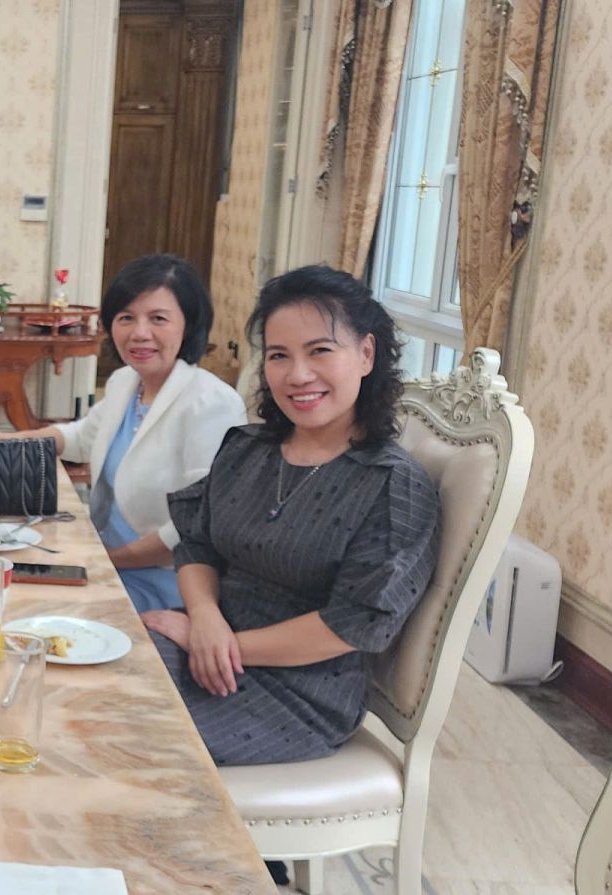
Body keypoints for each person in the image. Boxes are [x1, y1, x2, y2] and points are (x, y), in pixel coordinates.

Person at [141, 264, 440, 769]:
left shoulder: (391, 487)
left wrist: (218, 644)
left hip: (300, 696)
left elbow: (351, 624)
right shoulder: (247, 449)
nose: (297, 375)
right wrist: (206, 620)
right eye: (279, 356)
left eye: (320, 351)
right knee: (82, 682)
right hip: (211, 647)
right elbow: (196, 543)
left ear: (366, 354)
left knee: (117, 724)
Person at [0, 255, 243, 612]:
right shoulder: (125, 382)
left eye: (158, 319)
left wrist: (104, 560)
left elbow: (195, 526)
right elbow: (81, 437)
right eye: (126, 317)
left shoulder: (211, 403)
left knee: (24, 609)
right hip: (106, 560)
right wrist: (8, 440)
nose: (139, 333)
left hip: (165, 584)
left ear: (188, 325)